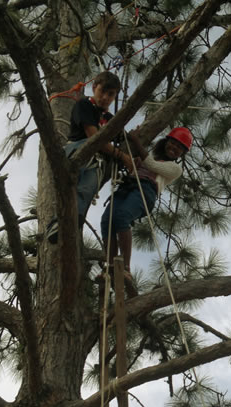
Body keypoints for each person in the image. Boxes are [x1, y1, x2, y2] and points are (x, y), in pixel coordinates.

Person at [47, 71, 136, 243]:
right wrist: (122, 156)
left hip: (97, 161)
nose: (105, 97)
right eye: (102, 91)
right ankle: (57, 222)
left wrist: (133, 139)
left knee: (86, 190)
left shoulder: (110, 119)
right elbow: (94, 138)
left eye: (111, 94)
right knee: (77, 182)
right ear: (94, 87)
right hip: (77, 150)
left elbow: (122, 138)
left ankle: (71, 222)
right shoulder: (84, 105)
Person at [100, 127, 192, 286]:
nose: (174, 148)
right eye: (172, 143)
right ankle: (111, 267)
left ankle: (125, 268)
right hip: (126, 187)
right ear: (166, 142)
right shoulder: (148, 156)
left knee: (122, 216)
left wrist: (136, 141)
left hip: (145, 191)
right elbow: (139, 164)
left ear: (182, 153)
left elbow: (152, 165)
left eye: (179, 148)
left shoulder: (176, 169)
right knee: (106, 221)